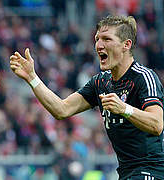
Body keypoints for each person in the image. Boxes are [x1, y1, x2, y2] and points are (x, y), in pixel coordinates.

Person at [10, 15, 164, 180]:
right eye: (97, 39)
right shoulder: (100, 82)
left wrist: (124, 109)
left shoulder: (144, 77)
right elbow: (61, 109)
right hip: (126, 173)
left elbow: (157, 124)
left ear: (126, 45)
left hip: (150, 172)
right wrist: (32, 78)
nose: (98, 45)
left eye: (106, 39)